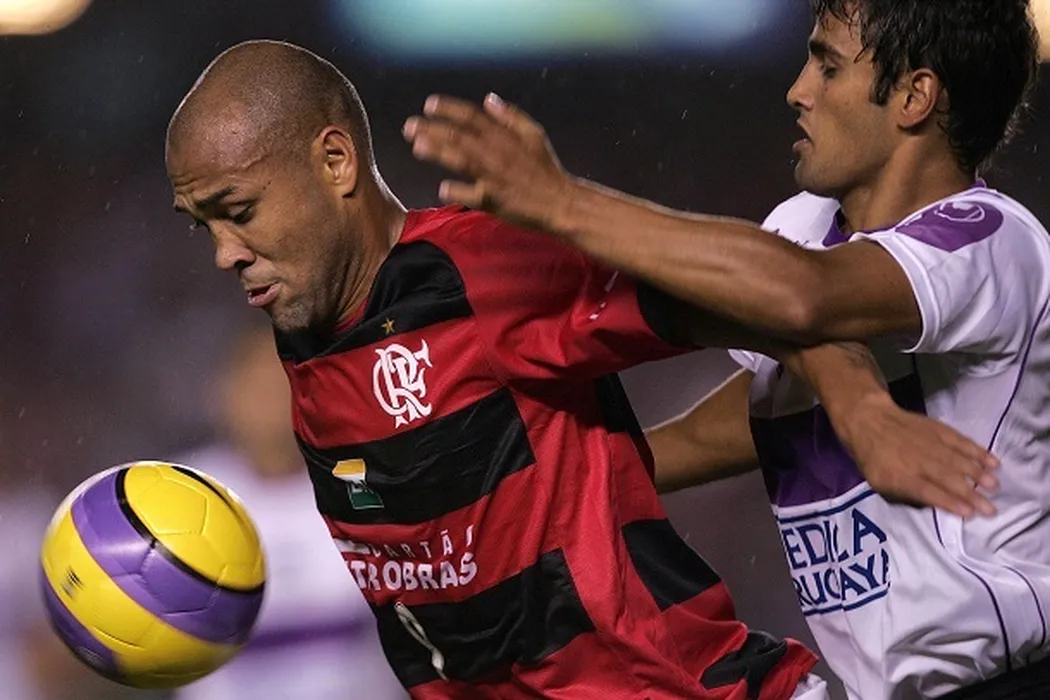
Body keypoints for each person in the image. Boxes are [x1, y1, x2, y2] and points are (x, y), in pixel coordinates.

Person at [165, 39, 996, 700]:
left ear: (335, 162)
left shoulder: (476, 273)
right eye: (202, 225)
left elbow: (770, 305)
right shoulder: (304, 332)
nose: (224, 253)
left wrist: (861, 410)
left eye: (239, 212)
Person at [400, 0, 1049, 698]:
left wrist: (561, 203)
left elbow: (806, 295)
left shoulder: (992, 241)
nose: (797, 90)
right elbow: (772, 399)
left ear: (915, 97)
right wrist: (567, 484)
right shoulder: (802, 226)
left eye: (828, 67)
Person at [172, 324, 405, 700]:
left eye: (283, 383)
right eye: (258, 387)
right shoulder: (182, 497)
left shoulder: (368, 488)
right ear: (224, 393)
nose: (271, 403)